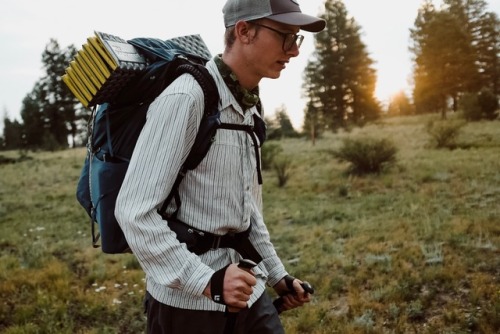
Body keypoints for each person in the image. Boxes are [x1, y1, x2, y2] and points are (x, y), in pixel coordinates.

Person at [115, 0, 326, 333]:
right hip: (188, 305)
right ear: (244, 31)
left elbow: (246, 210)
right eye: (286, 36)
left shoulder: (248, 105)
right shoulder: (187, 98)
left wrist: (277, 275)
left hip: (247, 292)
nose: (294, 51)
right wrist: (208, 282)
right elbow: (133, 212)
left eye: (296, 39)